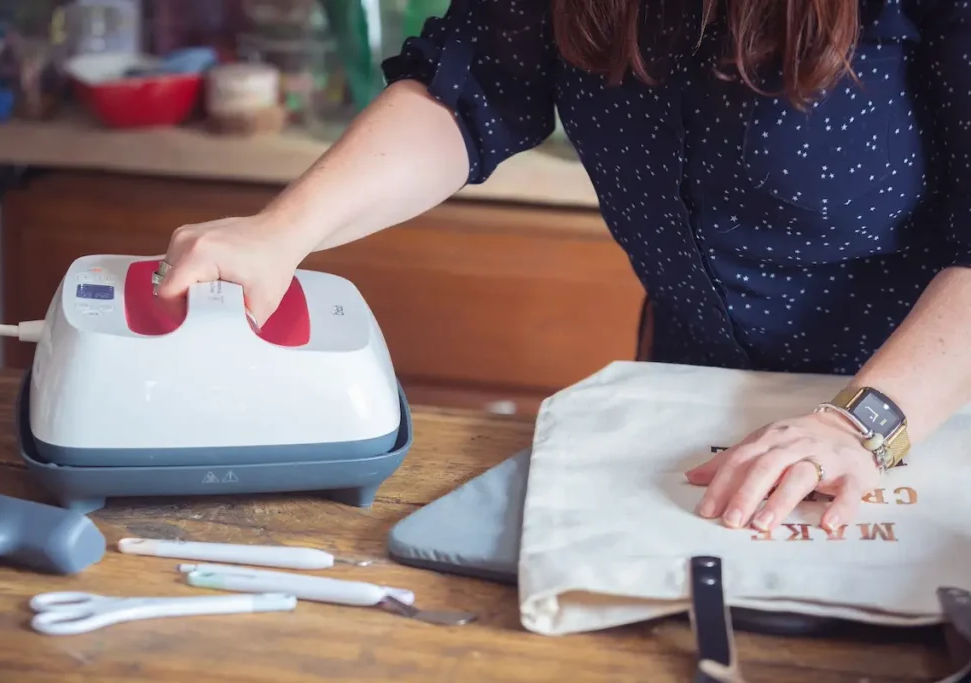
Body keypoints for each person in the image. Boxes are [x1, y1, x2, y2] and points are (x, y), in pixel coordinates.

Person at [156, 0, 970, 535]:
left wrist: (862, 424)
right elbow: (467, 94)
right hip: (696, 405)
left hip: (921, 415)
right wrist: (280, 231)